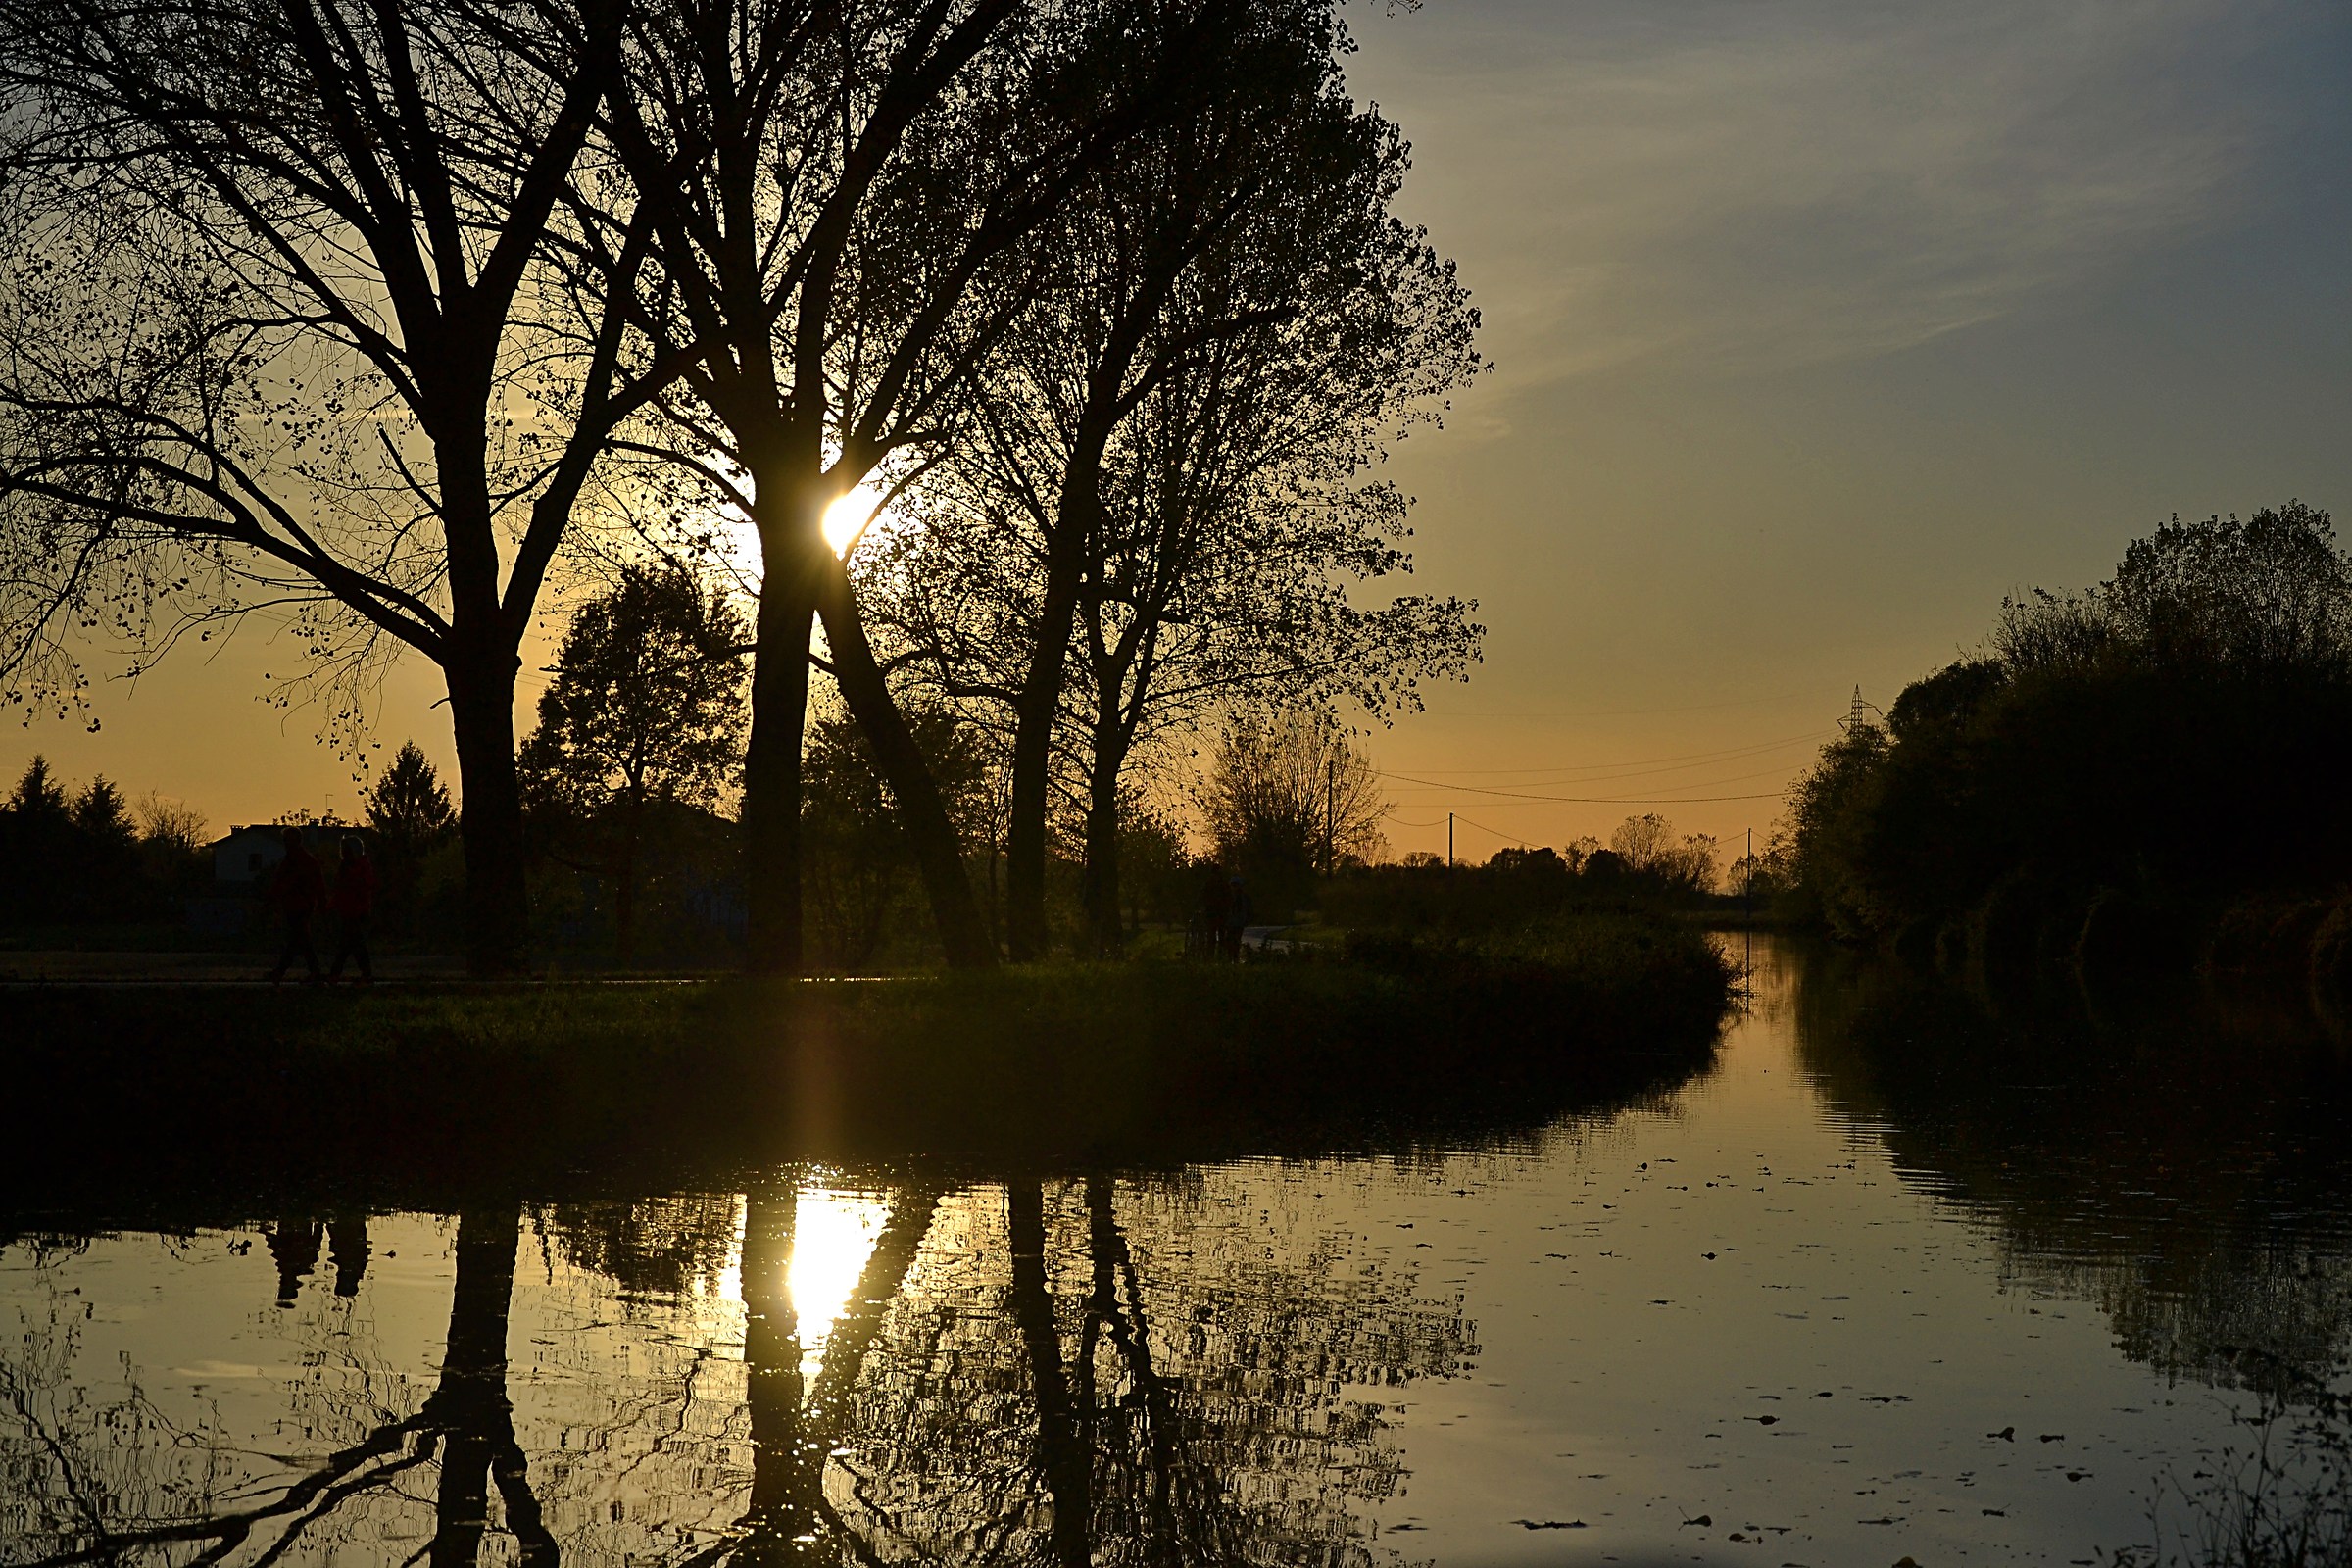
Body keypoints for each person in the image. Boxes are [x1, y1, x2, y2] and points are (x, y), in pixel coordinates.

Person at [267, 826, 325, 984]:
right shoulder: (301, 860)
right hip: (299, 905)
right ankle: (307, 972)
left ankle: (284, 972)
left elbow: (284, 883)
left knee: (298, 940)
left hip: (299, 905)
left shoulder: (296, 861)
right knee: (299, 940)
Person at [327, 834, 376, 983]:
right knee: (352, 944)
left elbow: (362, 887)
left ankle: (338, 973)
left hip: (356, 910)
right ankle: (357, 973)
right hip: (348, 909)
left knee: (350, 944)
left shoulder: (358, 867)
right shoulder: (347, 867)